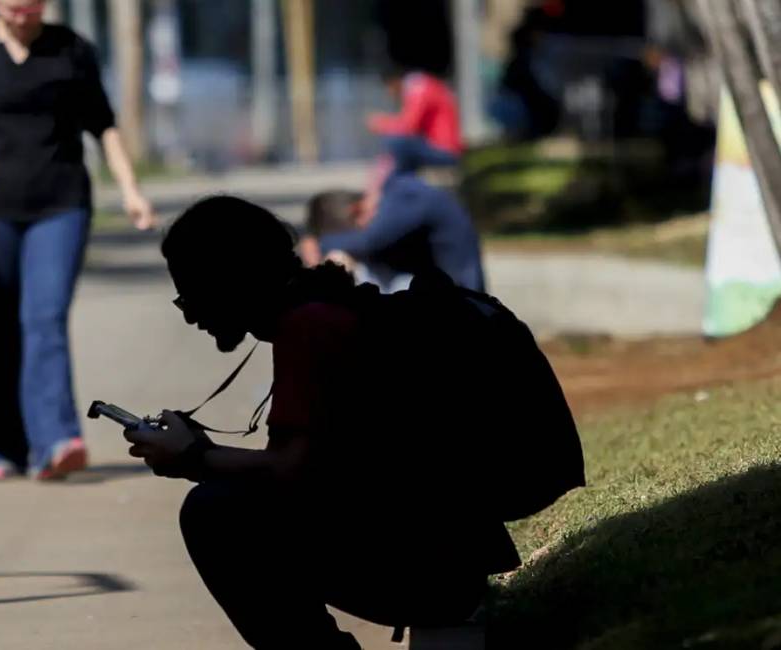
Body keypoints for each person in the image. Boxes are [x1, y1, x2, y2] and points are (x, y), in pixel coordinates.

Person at [122, 196, 584, 649]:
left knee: (215, 514)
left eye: (190, 294)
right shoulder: (335, 307)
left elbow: (292, 470)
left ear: (229, 280)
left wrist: (196, 457)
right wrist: (204, 454)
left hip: (429, 570)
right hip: (447, 557)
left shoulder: (309, 327)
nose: (190, 315)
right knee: (228, 501)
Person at [0, 0, 155, 481]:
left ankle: (56, 440)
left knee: (44, 317)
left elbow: (103, 126)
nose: (24, 17)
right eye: (14, 8)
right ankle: (4, 446)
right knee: (1, 326)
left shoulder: (71, 50)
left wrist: (131, 191)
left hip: (60, 203)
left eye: (32, 7)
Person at [302, 172, 486, 294]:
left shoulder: (404, 197)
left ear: (357, 210)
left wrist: (320, 244)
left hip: (464, 300)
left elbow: (369, 241)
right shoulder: (399, 197)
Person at [367, 65, 463, 175]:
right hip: (440, 148)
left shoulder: (419, 88)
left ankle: (399, 184)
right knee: (398, 147)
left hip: (445, 152)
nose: (389, 93)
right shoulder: (422, 85)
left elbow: (409, 126)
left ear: (394, 82)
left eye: (388, 88)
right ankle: (400, 182)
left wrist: (381, 123)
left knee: (395, 141)